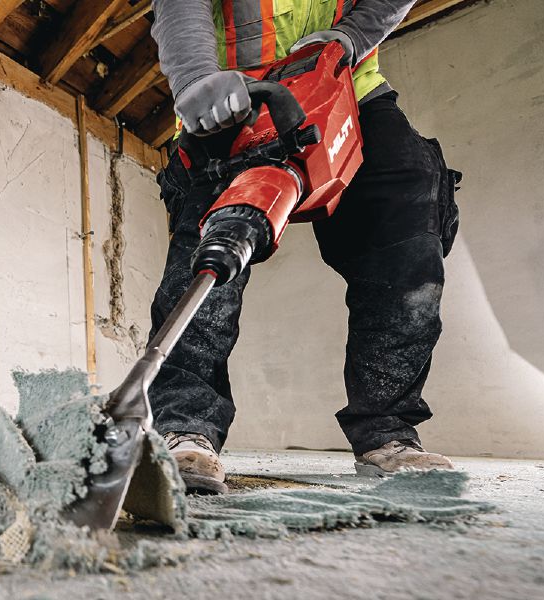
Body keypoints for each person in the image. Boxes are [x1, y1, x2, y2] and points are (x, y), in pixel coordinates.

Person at [141, 0, 461, 493]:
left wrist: (349, 37)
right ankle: (183, 425)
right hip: (229, 99)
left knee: (406, 231)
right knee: (204, 249)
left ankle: (388, 430)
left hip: (349, 89)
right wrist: (194, 79)